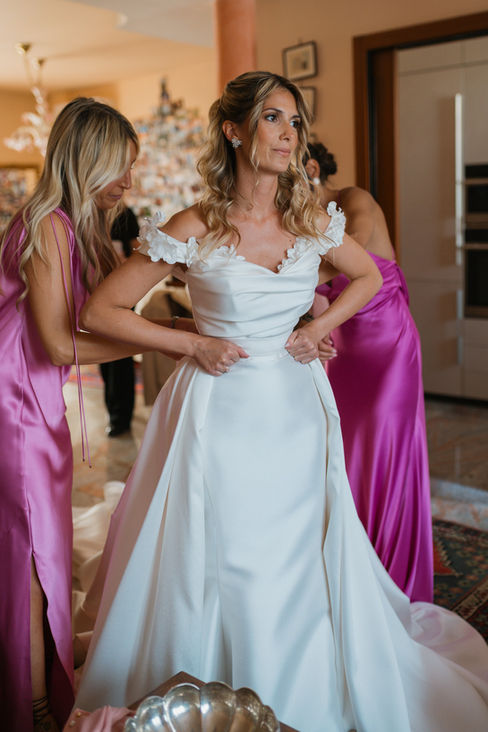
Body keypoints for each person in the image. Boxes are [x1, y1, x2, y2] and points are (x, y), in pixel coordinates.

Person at [74, 73, 488, 732]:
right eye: (272, 118)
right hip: (219, 412)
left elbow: (369, 276)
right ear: (234, 130)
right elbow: (102, 311)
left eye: (295, 122)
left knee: (300, 551)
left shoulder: (311, 221)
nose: (288, 134)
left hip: (297, 410)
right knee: (230, 554)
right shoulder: (194, 225)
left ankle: (307, 689)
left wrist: (319, 326)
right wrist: (191, 343)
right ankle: (217, 684)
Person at [0, 98, 181, 732]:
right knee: (30, 557)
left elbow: (110, 316)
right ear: (88, 160)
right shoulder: (47, 224)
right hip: (14, 406)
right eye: (121, 166)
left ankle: (35, 686)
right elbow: (58, 343)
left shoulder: (77, 229)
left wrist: (181, 321)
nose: (129, 181)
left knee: (38, 549)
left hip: (35, 400)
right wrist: (172, 340)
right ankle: (32, 708)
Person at [305, 141, 433, 603]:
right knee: (349, 451)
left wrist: (286, 272)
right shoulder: (298, 223)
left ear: (312, 168)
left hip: (388, 348)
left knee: (385, 449)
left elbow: (351, 249)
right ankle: (356, 565)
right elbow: (318, 300)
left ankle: (391, 574)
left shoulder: (353, 199)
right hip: (345, 350)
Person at [100, 206, 140, 437]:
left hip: (121, 291)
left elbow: (136, 248)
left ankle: (121, 417)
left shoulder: (125, 214)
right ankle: (112, 411)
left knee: (120, 356)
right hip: (96, 289)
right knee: (103, 357)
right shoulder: (89, 213)